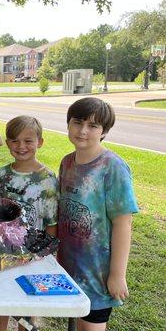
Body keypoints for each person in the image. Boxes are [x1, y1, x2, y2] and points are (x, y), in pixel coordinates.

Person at [58, 97, 138, 331]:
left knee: (91, 327)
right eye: (77, 122)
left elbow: (123, 223)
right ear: (68, 124)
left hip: (97, 273)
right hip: (69, 265)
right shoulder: (66, 163)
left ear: (104, 131)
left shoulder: (112, 167)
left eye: (93, 126)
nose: (83, 131)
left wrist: (117, 274)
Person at [0, 115, 58, 331]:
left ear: (40, 142)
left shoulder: (48, 180)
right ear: (7, 143)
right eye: (15, 141)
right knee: (3, 298)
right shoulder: (2, 175)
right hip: (4, 249)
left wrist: (48, 256)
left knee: (28, 302)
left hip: (33, 255)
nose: (21, 146)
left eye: (28, 141)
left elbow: (51, 222)